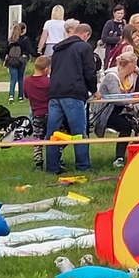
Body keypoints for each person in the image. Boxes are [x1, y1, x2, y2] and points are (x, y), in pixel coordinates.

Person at [47, 21, 99, 174]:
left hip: (55, 93)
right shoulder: (84, 47)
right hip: (73, 93)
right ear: (86, 35)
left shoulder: (58, 48)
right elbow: (89, 72)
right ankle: (83, 166)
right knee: (78, 132)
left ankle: (52, 167)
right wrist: (94, 89)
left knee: (53, 133)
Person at [95, 49, 139, 167]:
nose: (136, 67)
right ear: (130, 65)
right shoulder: (111, 77)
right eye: (135, 64)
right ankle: (119, 158)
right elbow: (117, 100)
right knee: (126, 126)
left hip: (123, 109)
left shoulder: (129, 77)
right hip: (107, 112)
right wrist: (135, 101)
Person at [4, 31, 27, 101]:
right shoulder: (23, 41)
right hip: (20, 61)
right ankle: (20, 96)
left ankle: (11, 95)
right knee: (20, 79)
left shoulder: (10, 43)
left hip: (11, 62)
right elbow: (27, 50)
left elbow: (6, 53)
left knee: (13, 79)